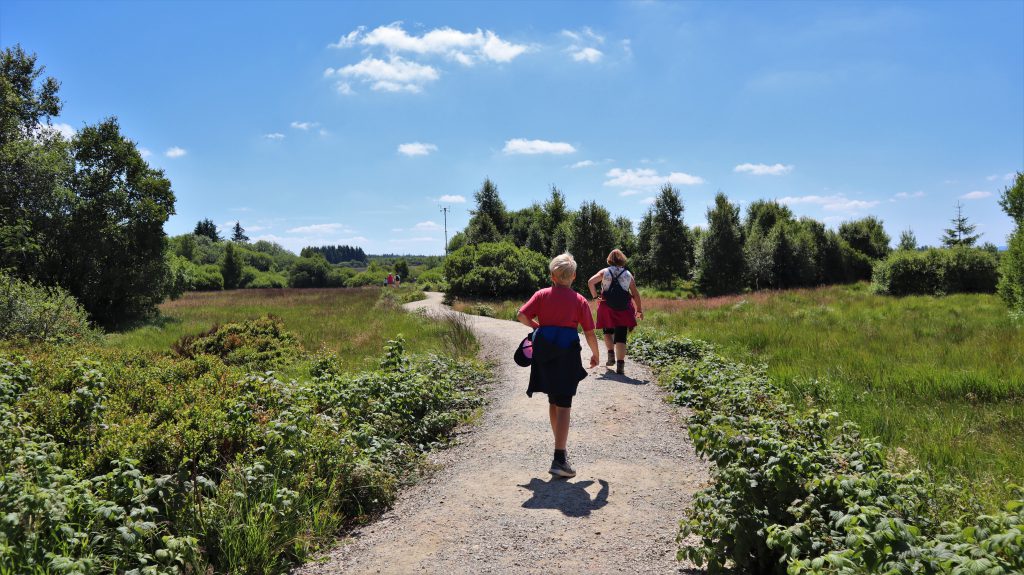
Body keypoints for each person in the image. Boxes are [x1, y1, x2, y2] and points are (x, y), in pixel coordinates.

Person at [517, 253, 600, 478]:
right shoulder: (579, 300)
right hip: (567, 354)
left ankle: (559, 449)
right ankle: (559, 458)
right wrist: (596, 354)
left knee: (554, 401)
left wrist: (538, 327)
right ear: (573, 276)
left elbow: (521, 315)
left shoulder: (542, 295)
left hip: (544, 352)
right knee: (564, 404)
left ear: (552, 276)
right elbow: (589, 332)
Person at [587, 249, 643, 376]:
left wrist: (596, 297)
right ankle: (620, 366)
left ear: (610, 259)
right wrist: (639, 310)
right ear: (622, 259)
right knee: (621, 336)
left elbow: (590, 282)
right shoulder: (628, 274)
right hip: (623, 308)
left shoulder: (605, 272)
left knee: (607, 331)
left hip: (606, 306)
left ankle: (611, 355)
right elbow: (635, 294)